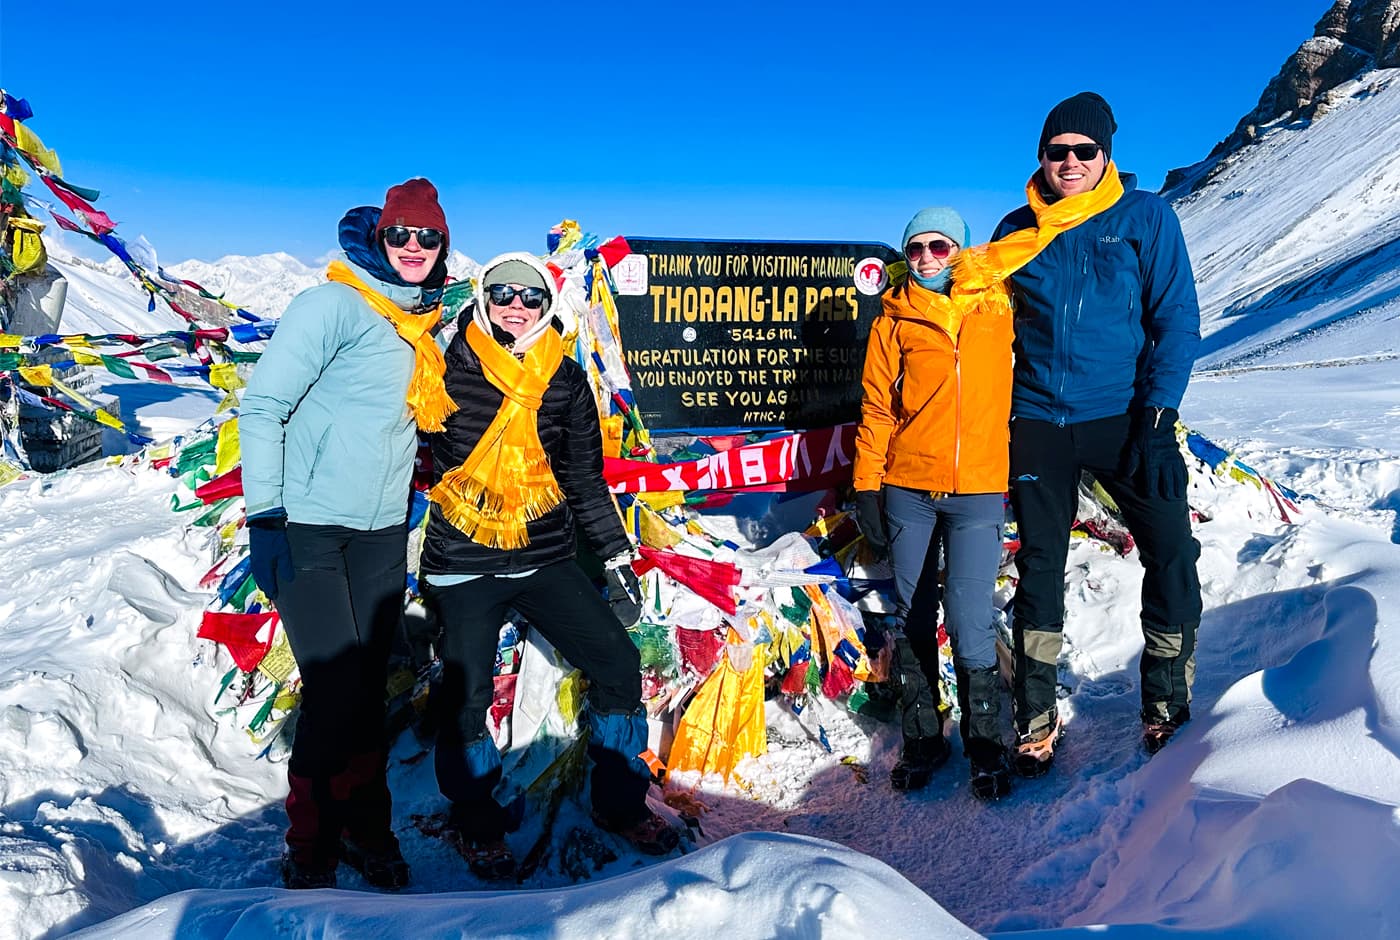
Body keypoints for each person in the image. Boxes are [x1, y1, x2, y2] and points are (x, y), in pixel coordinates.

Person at [418, 251, 679, 880]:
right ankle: (475, 823)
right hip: (463, 560)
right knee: (464, 698)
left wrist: (616, 555)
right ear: (484, 296)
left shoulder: (564, 379)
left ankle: (619, 802)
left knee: (618, 663)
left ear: (547, 306)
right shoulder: (442, 367)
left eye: (530, 297)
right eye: (503, 293)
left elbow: (584, 479)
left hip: (544, 556)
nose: (516, 305)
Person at [241, 178, 458, 889]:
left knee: (367, 691)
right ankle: (309, 847)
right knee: (334, 692)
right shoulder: (333, 303)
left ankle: (368, 830)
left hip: (379, 533)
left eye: (429, 237)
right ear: (381, 236)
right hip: (307, 527)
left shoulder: (422, 324)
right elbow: (263, 409)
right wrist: (265, 520)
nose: (415, 248)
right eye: (403, 234)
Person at [990, 92, 1203, 775]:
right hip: (1038, 421)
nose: (1071, 162)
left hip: (1124, 418)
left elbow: (1177, 320)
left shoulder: (1145, 217)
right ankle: (1035, 715)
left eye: (1085, 150)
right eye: (1058, 152)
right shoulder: (1017, 230)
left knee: (1171, 546)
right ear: (1042, 158)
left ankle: (1166, 703)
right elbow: (986, 322)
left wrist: (1159, 414)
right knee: (1040, 564)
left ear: (1107, 155)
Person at [852, 207, 1016, 799]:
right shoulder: (893, 319)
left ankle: (987, 743)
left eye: (939, 246)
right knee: (915, 613)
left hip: (977, 488)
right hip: (909, 488)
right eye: (916, 247)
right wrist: (867, 483)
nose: (926, 257)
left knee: (972, 618)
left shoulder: (998, 307)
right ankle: (924, 737)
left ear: (960, 249)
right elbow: (876, 408)